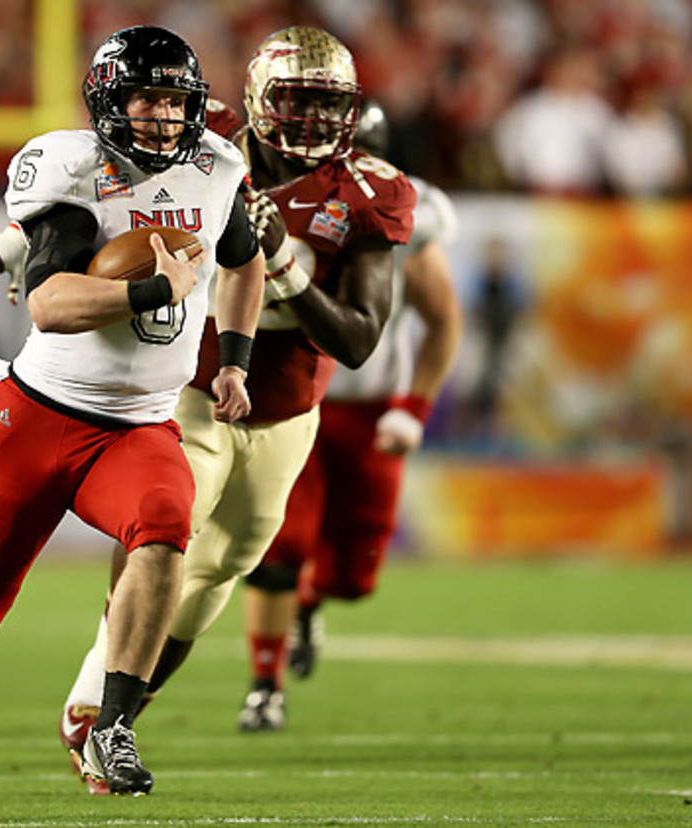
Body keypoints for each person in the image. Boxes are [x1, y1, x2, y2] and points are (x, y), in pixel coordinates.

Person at [0, 25, 264, 801]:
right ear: (110, 101)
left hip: (140, 423)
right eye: (144, 98)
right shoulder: (77, 172)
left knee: (168, 524)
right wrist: (153, 290)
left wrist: (236, 358)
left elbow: (245, 264)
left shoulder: (216, 168)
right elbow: (49, 304)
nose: (162, 116)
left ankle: (112, 725)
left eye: (175, 100)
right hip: (39, 418)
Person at [33, 27, 417, 793]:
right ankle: (98, 710)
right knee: (167, 531)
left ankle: (115, 713)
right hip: (193, 389)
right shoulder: (196, 155)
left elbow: (361, 341)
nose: (308, 120)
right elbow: (86, 192)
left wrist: (285, 269)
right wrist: (19, 253)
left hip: (287, 410)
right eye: (294, 101)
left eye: (325, 104)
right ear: (254, 100)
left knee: (224, 570)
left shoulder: (369, 192)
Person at [238, 99, 463, 731]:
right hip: (293, 398)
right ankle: (265, 686)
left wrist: (413, 408)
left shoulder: (392, 203)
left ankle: (312, 603)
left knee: (353, 575)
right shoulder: (259, 189)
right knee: (278, 546)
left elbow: (443, 319)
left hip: (367, 411)